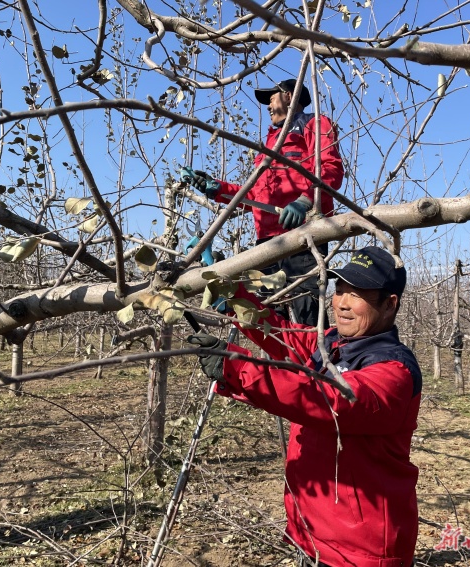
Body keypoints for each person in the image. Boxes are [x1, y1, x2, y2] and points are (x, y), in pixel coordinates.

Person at [188, 246, 422, 567]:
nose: (342, 303)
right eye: (339, 290)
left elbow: (328, 400)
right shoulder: (332, 344)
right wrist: (233, 296)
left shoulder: (394, 372)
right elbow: (282, 335)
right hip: (313, 534)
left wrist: (237, 368)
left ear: (389, 304)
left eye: (356, 295)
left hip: (359, 552)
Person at [181, 78, 345, 326]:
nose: (268, 106)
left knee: (306, 316)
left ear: (289, 96)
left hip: (302, 236)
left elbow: (331, 169)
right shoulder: (270, 142)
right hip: (266, 245)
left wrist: (305, 201)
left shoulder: (315, 123)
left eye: (271, 98)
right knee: (269, 319)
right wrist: (217, 189)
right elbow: (256, 197)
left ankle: (314, 354)